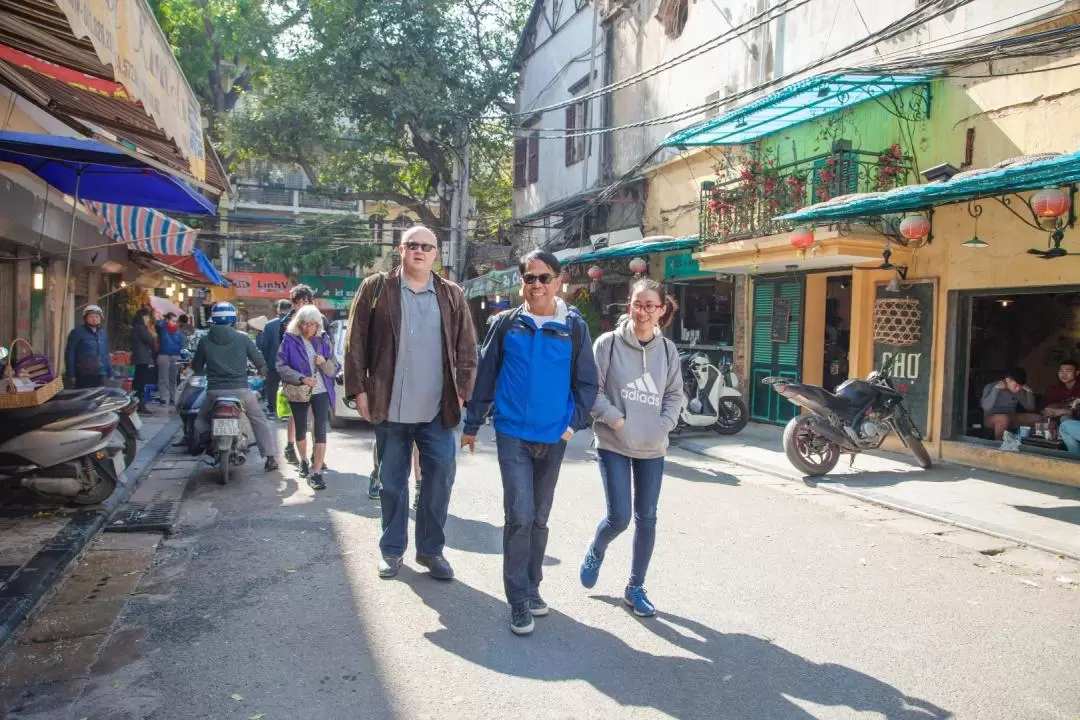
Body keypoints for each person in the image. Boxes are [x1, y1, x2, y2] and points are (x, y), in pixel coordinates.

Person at [462, 249, 598, 636]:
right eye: (528, 277)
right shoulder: (506, 323)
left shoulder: (574, 326)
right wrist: (472, 423)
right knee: (519, 516)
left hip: (554, 436)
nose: (535, 285)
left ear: (559, 281)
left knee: (539, 518)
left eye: (543, 277)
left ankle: (534, 585)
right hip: (512, 434)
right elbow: (486, 374)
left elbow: (587, 383)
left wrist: (572, 426)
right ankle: (518, 599)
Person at [344, 225, 477, 581]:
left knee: (440, 478)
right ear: (401, 250)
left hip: (438, 408)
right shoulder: (377, 288)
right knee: (392, 481)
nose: (420, 251)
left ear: (437, 253)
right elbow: (355, 340)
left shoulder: (451, 294)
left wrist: (464, 391)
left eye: (427, 246)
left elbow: (467, 347)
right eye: (413, 245)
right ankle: (391, 550)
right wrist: (358, 390)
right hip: (391, 405)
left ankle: (431, 550)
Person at [579, 279, 683, 619]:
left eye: (650, 306)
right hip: (613, 442)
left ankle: (635, 587)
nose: (642, 312)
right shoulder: (607, 345)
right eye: (637, 304)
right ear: (630, 306)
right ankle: (597, 548)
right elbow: (591, 390)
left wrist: (662, 425)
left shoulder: (667, 352)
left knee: (647, 518)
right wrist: (615, 420)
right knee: (619, 517)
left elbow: (674, 394)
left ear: (662, 311)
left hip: (653, 446)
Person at [192, 302, 279, 472]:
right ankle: (270, 457)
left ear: (213, 320)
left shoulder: (204, 340)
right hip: (241, 391)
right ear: (233, 319)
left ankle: (200, 445)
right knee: (258, 419)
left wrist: (202, 370)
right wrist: (262, 371)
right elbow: (259, 360)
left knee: (200, 419)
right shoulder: (243, 338)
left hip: (214, 391)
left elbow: (197, 367)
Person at [276, 305, 338, 490]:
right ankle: (303, 460)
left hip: (321, 391)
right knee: (301, 428)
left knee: (320, 429)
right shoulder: (289, 340)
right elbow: (281, 366)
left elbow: (335, 368)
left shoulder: (324, 339)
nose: (308, 328)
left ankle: (317, 473)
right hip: (299, 390)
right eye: (304, 323)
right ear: (298, 323)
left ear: (318, 324)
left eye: (312, 324)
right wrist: (301, 378)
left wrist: (324, 362)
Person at [279, 285, 329, 467]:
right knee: (298, 420)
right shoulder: (286, 327)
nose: (300, 304)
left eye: (304, 301)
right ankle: (295, 450)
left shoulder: (321, 325)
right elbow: (282, 358)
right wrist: (296, 377)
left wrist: (325, 363)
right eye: (296, 301)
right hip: (295, 382)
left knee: (319, 424)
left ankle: (317, 459)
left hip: (319, 385)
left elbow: (329, 356)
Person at [980, 367, 1041, 440]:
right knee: (1003, 419)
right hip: (991, 418)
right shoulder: (990, 387)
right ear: (1007, 380)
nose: (1018, 388)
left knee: (1037, 418)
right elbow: (986, 407)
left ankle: (1027, 444)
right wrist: (995, 390)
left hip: (1011, 416)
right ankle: (998, 444)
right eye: (1015, 385)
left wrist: (1029, 392)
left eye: (1020, 386)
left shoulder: (1019, 391)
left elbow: (1030, 408)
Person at [65, 305, 112, 389]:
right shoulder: (77, 332)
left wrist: (110, 372)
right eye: (91, 317)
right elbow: (70, 354)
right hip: (84, 373)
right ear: (85, 318)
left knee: (99, 397)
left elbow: (106, 354)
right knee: (85, 398)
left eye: (97, 317)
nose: (94, 319)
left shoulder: (103, 333)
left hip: (100, 372)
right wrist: (71, 374)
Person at [260, 299, 293, 417]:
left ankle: (272, 410)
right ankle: (286, 413)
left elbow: (265, 346)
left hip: (273, 362)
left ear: (278, 309)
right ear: (290, 309)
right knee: (288, 387)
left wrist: (266, 360)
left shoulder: (269, 325)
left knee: (272, 387)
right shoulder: (294, 323)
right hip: (290, 364)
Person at [1043, 360, 1080, 454]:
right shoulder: (1055, 390)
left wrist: (1064, 410)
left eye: (1068, 371)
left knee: (1065, 422)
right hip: (1060, 424)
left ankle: (1074, 458)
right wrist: (1052, 410)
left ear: (1077, 373)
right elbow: (1045, 409)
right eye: (1061, 371)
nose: (1064, 374)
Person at [131, 308, 158, 412]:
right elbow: (150, 340)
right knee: (141, 382)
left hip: (139, 358)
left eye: (148, 317)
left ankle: (138, 403)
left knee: (139, 381)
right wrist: (153, 335)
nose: (148, 319)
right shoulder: (141, 328)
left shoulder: (137, 327)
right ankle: (140, 404)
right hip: (142, 358)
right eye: (146, 317)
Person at [156, 312, 185, 406]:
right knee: (163, 378)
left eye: (176, 321)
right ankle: (163, 398)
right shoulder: (163, 329)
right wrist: (163, 319)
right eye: (172, 321)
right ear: (167, 320)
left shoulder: (179, 333)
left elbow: (182, 347)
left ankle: (173, 398)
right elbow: (158, 324)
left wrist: (183, 360)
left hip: (176, 356)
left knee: (173, 379)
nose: (175, 323)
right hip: (164, 354)